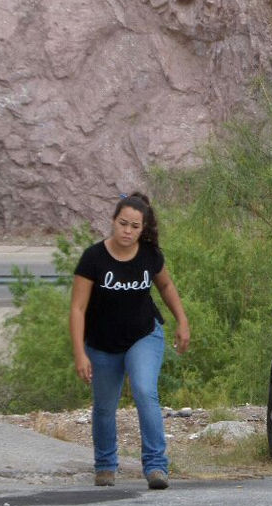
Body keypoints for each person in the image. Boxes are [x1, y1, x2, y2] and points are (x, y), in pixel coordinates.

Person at [70, 192, 190, 490]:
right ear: (113, 222)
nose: (128, 231)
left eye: (135, 226)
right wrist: (79, 354)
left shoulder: (149, 255)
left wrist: (182, 321)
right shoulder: (93, 258)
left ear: (142, 228)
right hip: (101, 343)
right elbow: (77, 308)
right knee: (104, 406)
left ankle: (156, 467)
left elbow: (166, 285)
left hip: (144, 335)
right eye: (123, 223)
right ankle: (106, 466)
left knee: (144, 390)